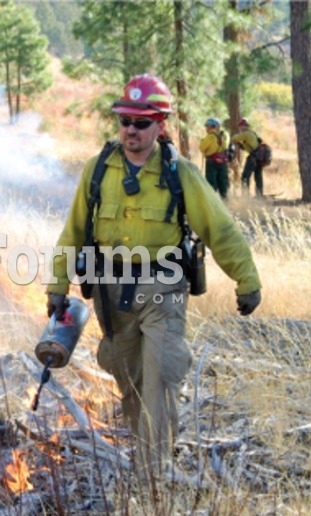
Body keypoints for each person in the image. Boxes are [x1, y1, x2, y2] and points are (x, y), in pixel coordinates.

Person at [45, 74, 262, 479]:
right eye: (125, 120)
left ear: (159, 124)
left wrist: (247, 280)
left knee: (160, 379)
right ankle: (147, 457)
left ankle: (153, 478)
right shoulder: (98, 170)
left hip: (163, 291)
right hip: (110, 294)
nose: (131, 129)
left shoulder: (181, 173)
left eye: (142, 122)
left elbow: (221, 230)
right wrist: (57, 285)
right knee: (130, 382)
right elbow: (73, 231)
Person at [231, 118, 264, 197]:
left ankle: (245, 196)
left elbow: (234, 138)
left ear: (243, 126)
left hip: (253, 158)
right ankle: (259, 196)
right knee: (258, 177)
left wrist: (235, 136)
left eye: (240, 126)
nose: (240, 128)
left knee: (245, 177)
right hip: (259, 158)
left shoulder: (246, 134)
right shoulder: (252, 133)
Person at [198, 117, 230, 199]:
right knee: (223, 183)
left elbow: (201, 148)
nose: (206, 128)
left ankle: (212, 202)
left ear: (213, 126)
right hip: (223, 162)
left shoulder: (210, 137)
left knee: (211, 184)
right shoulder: (224, 136)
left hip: (212, 162)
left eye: (208, 126)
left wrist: (202, 141)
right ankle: (225, 201)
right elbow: (226, 147)